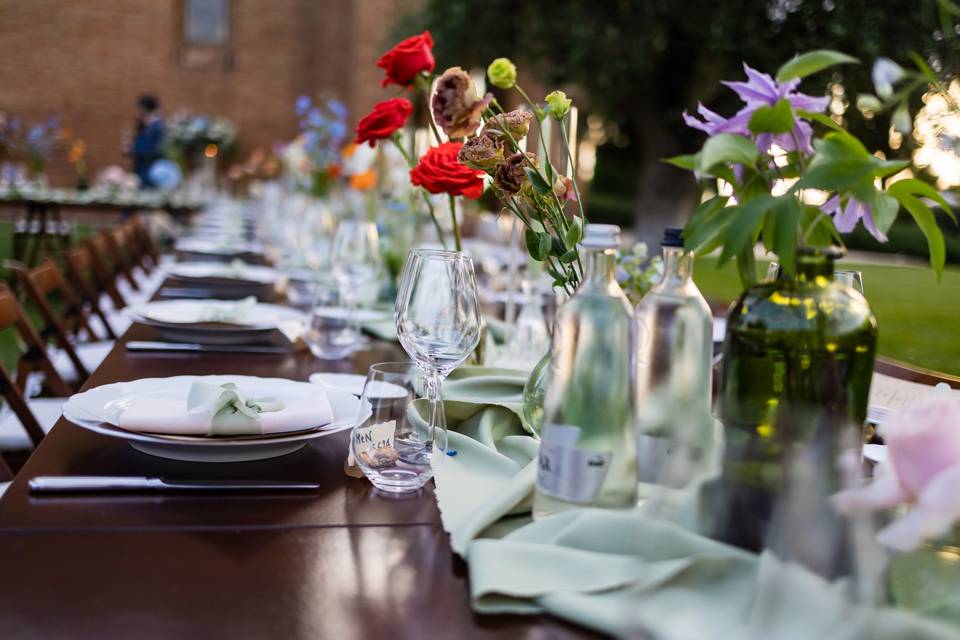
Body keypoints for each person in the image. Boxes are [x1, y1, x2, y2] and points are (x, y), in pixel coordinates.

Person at [131, 94, 165, 188]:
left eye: (139, 108)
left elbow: (155, 147)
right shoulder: (145, 124)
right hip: (141, 163)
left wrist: (135, 149)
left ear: (144, 108)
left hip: (149, 165)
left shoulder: (156, 126)